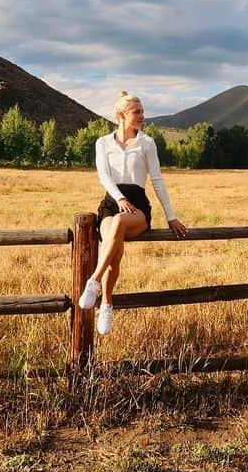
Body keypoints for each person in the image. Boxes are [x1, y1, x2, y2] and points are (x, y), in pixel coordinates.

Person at [78, 91, 188, 334]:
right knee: (112, 250)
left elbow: (157, 180)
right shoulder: (103, 143)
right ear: (121, 115)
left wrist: (171, 216)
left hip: (137, 206)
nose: (142, 116)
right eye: (136, 112)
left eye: (142, 111)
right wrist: (119, 198)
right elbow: (104, 176)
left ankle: (93, 281)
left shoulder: (147, 143)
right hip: (111, 202)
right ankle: (106, 303)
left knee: (118, 223)